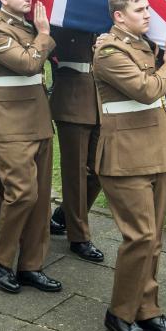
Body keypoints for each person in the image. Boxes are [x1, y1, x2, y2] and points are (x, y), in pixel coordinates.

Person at [93, 0, 166, 331]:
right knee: (140, 238)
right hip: (125, 158)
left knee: (154, 240)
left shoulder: (140, 44)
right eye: (140, 10)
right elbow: (147, 90)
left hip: (152, 153)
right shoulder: (109, 50)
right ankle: (119, 314)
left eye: (148, 8)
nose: (148, 15)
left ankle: (147, 309)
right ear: (119, 16)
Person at [0, 0, 59, 295]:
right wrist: (43, 34)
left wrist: (38, 33)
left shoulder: (25, 27)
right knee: (22, 193)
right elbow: (27, 64)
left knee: (40, 199)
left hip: (37, 117)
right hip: (9, 122)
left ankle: (31, 265)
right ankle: (1, 258)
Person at [48, 26, 105, 263]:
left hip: (99, 101)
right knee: (76, 173)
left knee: (100, 169)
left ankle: (65, 214)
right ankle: (79, 237)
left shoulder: (103, 23)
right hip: (72, 101)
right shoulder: (63, 21)